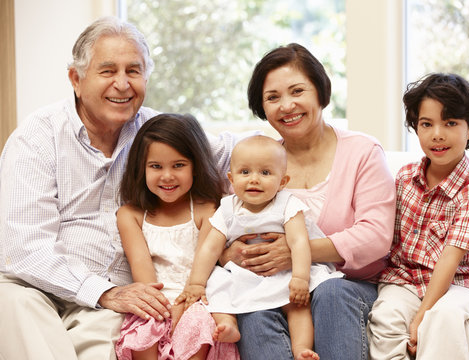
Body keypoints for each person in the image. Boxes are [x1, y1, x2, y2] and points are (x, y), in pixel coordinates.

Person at [0, 16, 236, 359]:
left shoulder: (157, 133)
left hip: (109, 304)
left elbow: (237, 156)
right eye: (108, 71)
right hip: (37, 288)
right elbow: (24, 247)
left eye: (134, 71)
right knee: (10, 303)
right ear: (76, 80)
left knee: (109, 344)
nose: (122, 84)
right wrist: (102, 292)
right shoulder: (38, 137)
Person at [218, 43, 397, 359]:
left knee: (331, 292)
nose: (286, 106)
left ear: (320, 93)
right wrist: (231, 253)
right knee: (254, 308)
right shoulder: (258, 163)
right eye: (273, 98)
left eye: (297, 91)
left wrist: (296, 253)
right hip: (277, 290)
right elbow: (226, 226)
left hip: (349, 287)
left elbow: (375, 238)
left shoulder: (362, 152)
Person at [367, 73, 469, 360]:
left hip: (460, 282)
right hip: (405, 278)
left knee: (443, 318)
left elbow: (450, 261)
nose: (437, 134)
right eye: (427, 124)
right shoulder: (404, 177)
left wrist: (422, 315)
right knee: (385, 317)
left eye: (450, 123)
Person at [180, 135, 344, 360]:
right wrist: (196, 284)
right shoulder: (227, 209)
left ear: (283, 181)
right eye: (245, 172)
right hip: (244, 276)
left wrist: (300, 278)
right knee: (216, 287)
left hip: (285, 274)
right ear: (231, 178)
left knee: (298, 306)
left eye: (265, 173)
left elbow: (299, 242)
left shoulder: (287, 204)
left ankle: (301, 349)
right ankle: (228, 324)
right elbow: (210, 249)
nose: (254, 180)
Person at [114, 114, 239, 360]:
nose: (167, 176)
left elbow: (203, 265)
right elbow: (143, 275)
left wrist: (184, 305)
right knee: (145, 328)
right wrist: (163, 311)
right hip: (154, 298)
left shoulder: (206, 209)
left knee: (197, 323)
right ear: (142, 168)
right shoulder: (130, 215)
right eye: (156, 166)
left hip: (196, 295)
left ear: (196, 165)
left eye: (178, 165)